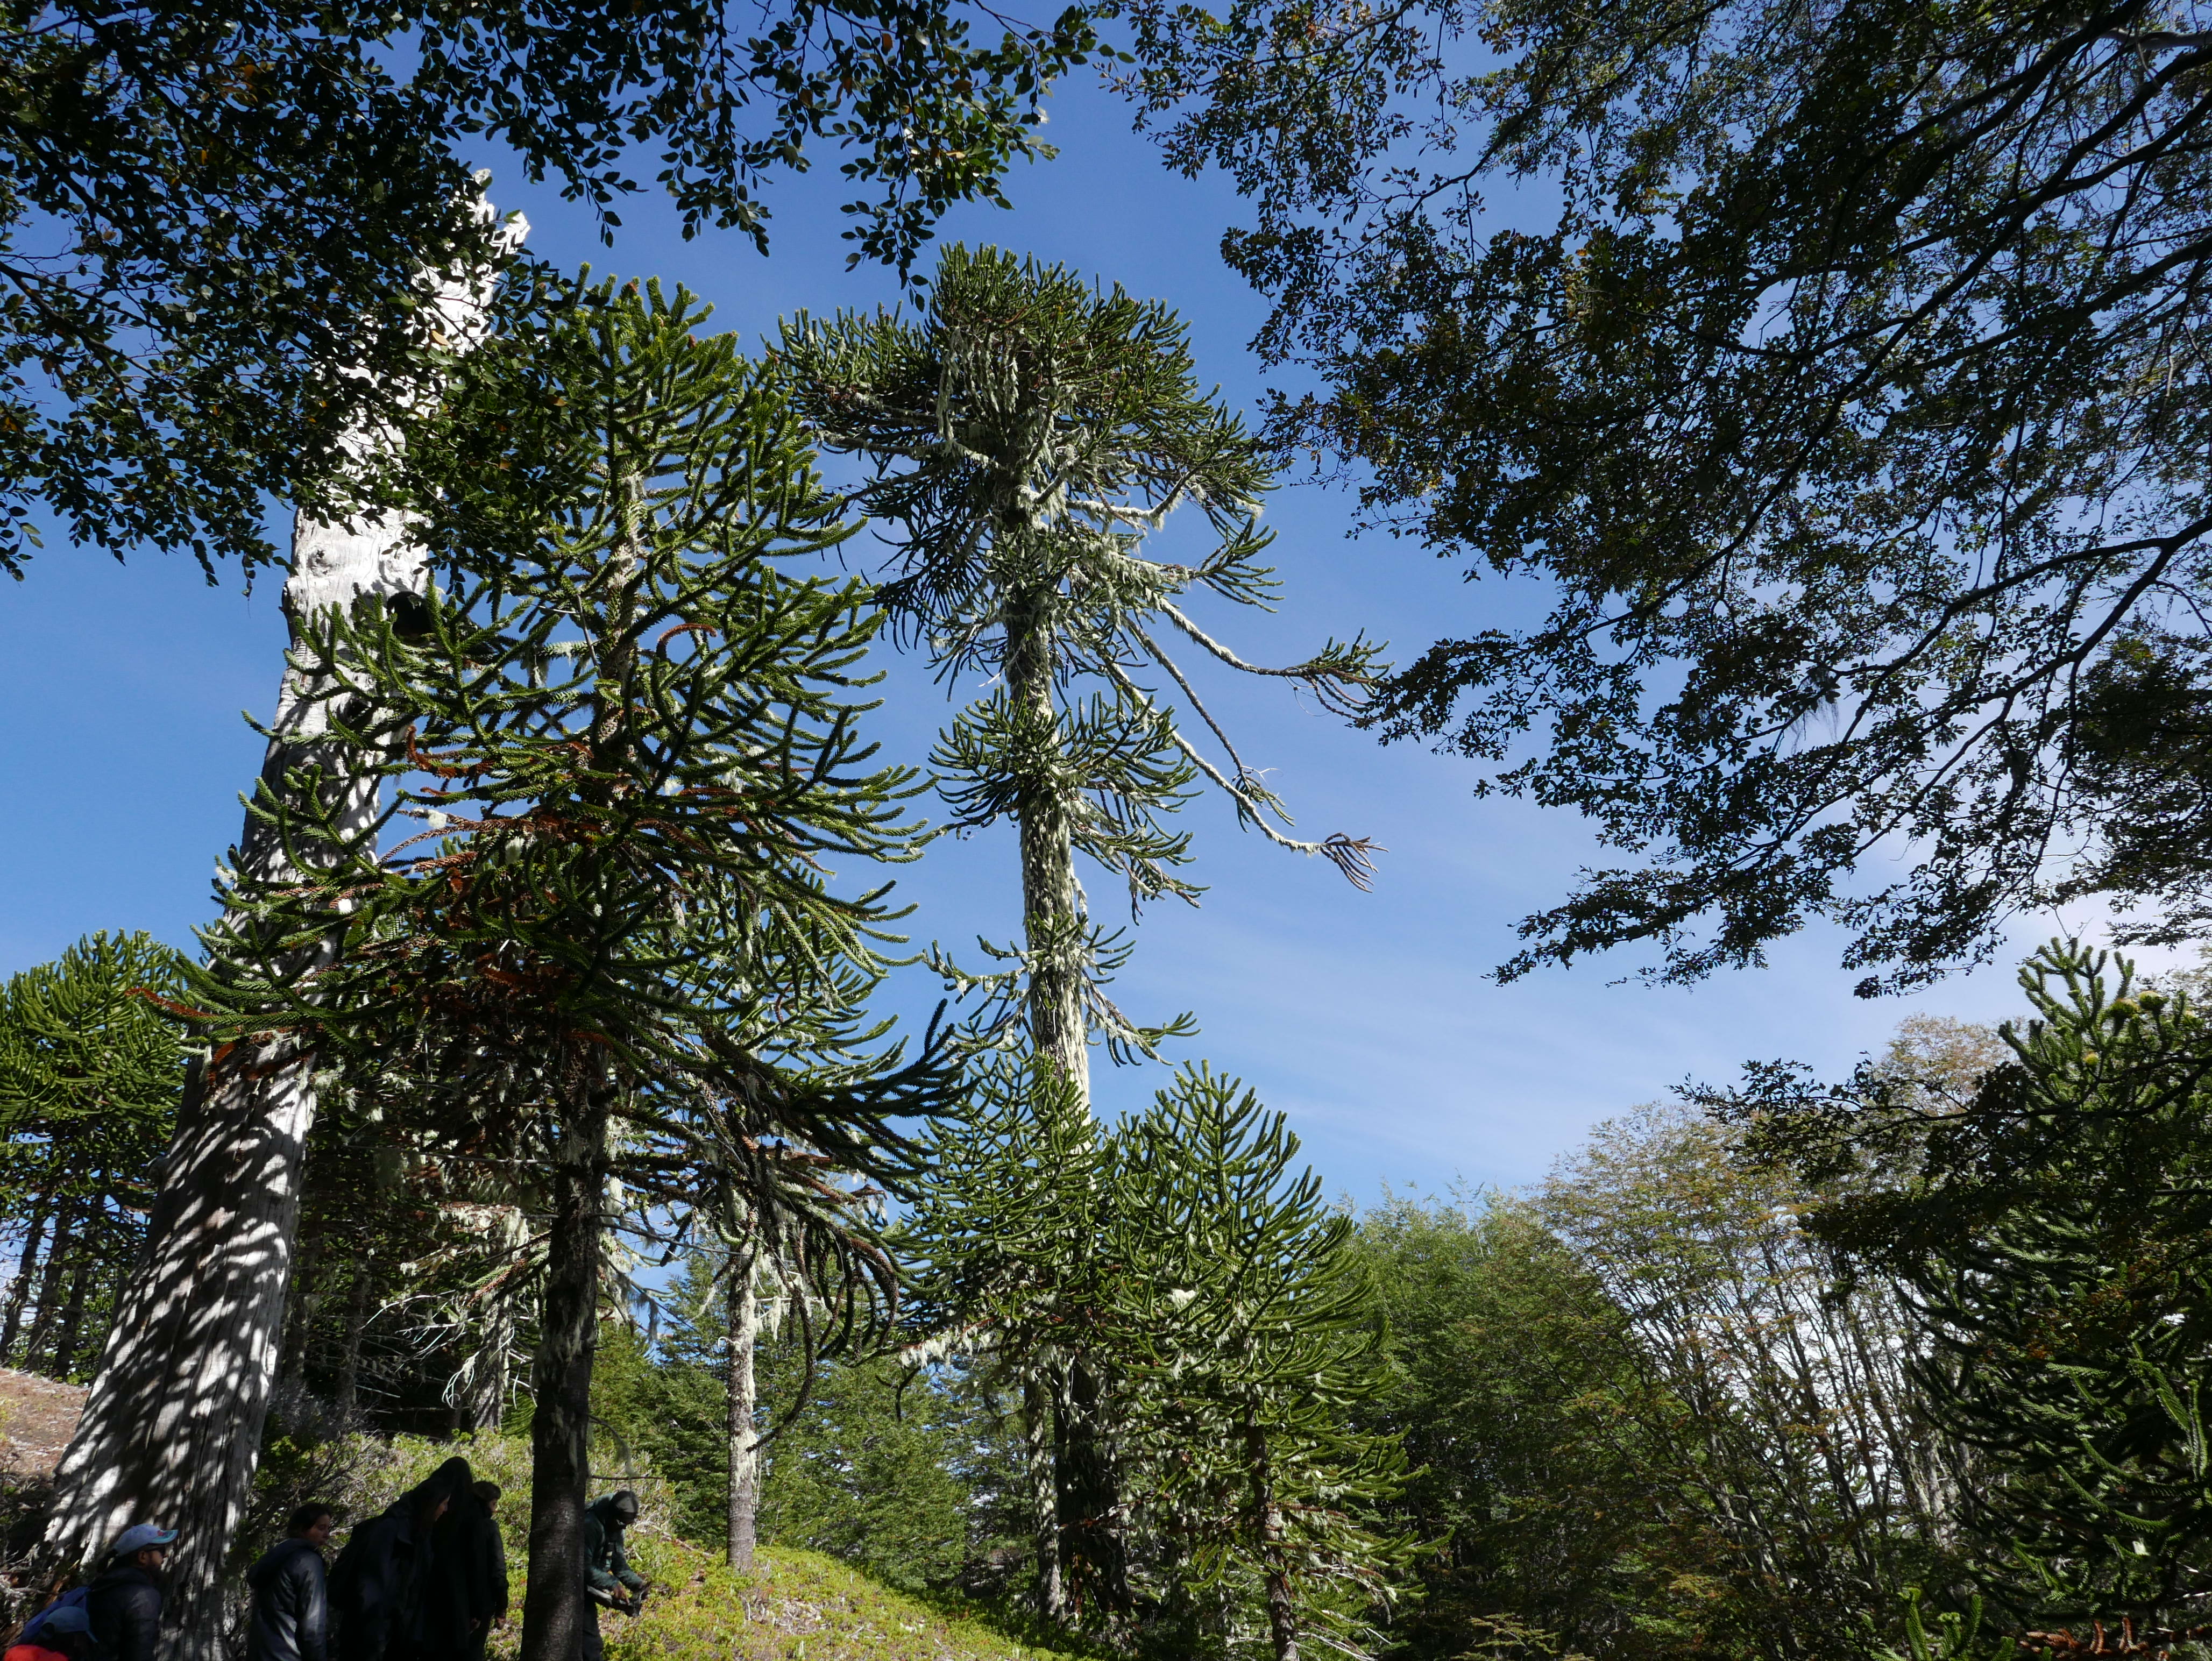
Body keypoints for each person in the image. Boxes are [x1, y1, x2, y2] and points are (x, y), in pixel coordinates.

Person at [328, 1458, 473, 1661]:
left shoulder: (420, 1537)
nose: (446, 1510)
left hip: (393, 1635)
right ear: (432, 1504)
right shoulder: (392, 1531)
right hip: (374, 1637)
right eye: (444, 1504)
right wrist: (376, 1638)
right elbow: (371, 1588)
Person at [423, 1482, 505, 1661]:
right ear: (485, 1503)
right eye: (493, 1504)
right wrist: (502, 1606)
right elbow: (498, 1571)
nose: (495, 1510)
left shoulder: (447, 1522)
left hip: (442, 1602)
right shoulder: (488, 1527)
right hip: (477, 1608)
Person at [247, 1503, 335, 1661]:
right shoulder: (309, 1562)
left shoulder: (275, 1556)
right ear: (303, 1529)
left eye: (328, 1528)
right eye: (321, 1528)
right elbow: (313, 1627)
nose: (327, 1535)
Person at [86, 1525, 173, 1661]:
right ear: (143, 1556)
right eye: (161, 1551)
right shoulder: (142, 1596)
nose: (166, 1556)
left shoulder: (103, 1585)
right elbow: (139, 1654)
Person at [579, 1490, 648, 1661]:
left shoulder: (616, 1526)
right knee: (590, 1646)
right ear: (611, 1514)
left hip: (588, 1588)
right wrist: (612, 1584)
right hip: (573, 1589)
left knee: (590, 1644)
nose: (623, 1527)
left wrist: (637, 1584)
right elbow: (583, 1568)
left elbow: (618, 1563)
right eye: (621, 1523)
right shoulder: (590, 1525)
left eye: (627, 1524)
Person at [5, 1604, 93, 1661]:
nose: (80, 1644)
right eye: (80, 1638)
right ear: (71, 1637)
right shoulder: (60, 1659)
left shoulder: (16, 1652)